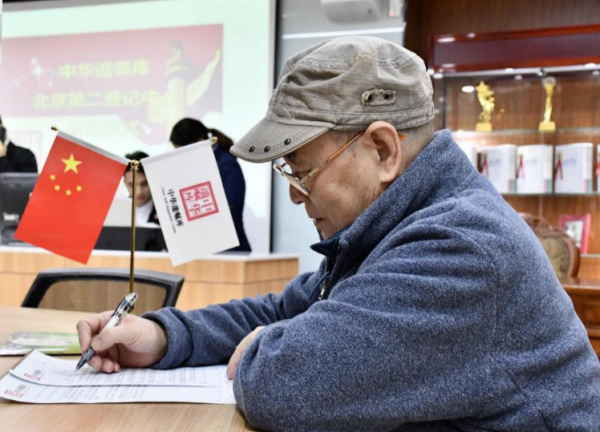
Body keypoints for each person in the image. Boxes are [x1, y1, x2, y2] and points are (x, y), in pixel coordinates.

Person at [77, 37, 600, 431]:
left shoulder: (460, 247)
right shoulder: (397, 224)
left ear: (383, 150)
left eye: (302, 170)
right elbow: (285, 310)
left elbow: (286, 385)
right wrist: (165, 336)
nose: (294, 195)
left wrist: (270, 346)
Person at [170, 118, 251, 252]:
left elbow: (232, 211)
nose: (181, 157)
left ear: (200, 142)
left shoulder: (227, 165)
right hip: (203, 249)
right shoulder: (193, 167)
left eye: (183, 152)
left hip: (230, 251)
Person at [123, 151, 158, 225]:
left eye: (145, 184)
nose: (139, 191)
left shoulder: (165, 210)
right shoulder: (116, 210)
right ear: (125, 183)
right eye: (132, 185)